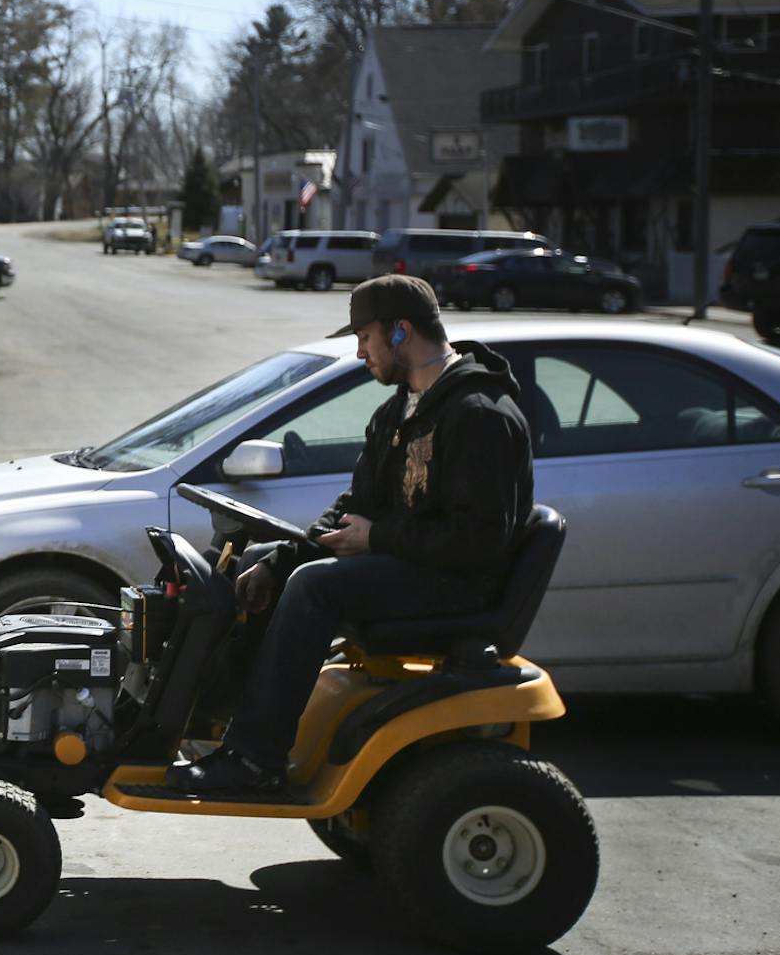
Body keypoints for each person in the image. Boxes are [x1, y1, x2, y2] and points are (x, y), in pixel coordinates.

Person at [170, 274, 534, 794]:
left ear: (401, 332)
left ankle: (255, 760)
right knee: (264, 560)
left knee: (315, 585)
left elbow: (479, 539)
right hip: (413, 566)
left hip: (460, 584)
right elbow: (355, 507)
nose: (361, 352)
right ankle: (211, 719)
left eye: (365, 338)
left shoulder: (478, 414)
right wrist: (278, 562)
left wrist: (377, 539)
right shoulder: (399, 410)